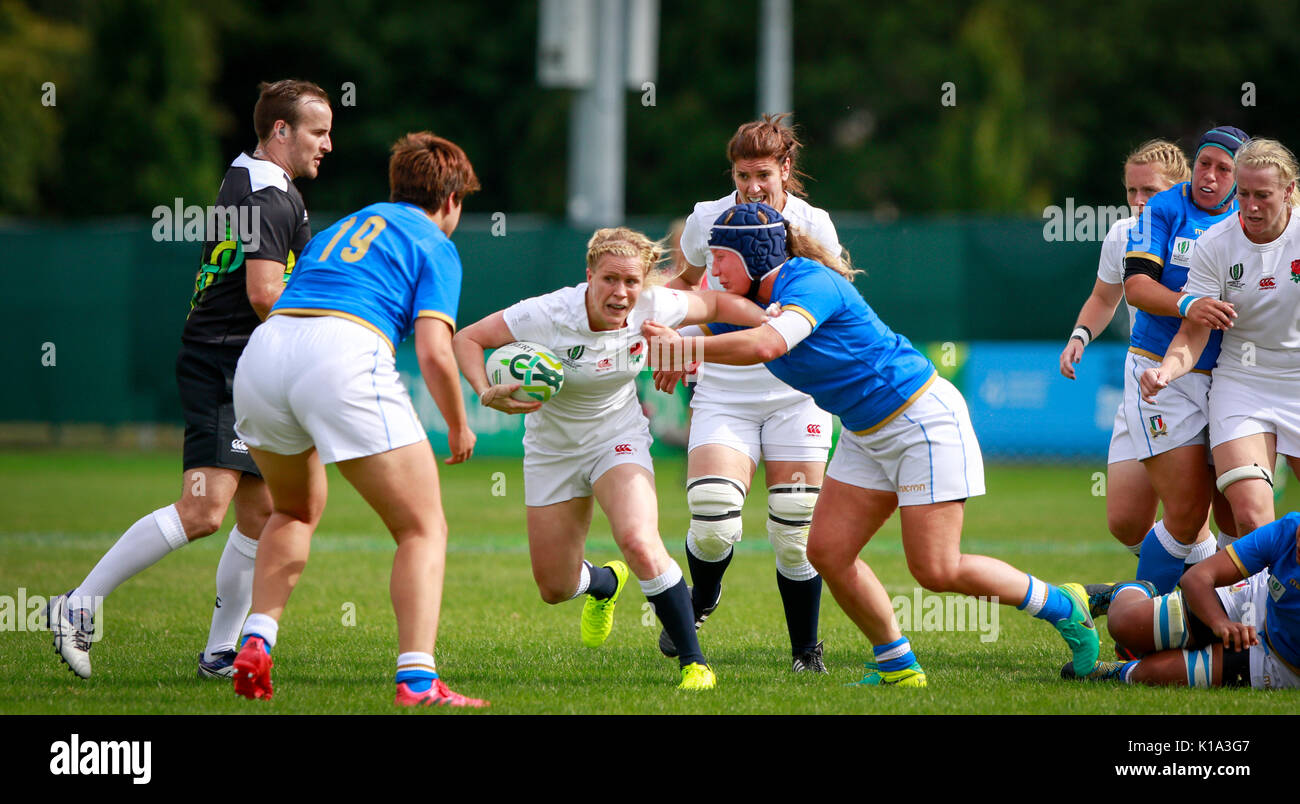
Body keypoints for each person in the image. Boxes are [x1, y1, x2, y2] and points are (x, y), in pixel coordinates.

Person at [642, 202, 1100, 686]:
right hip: (865, 433)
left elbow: (767, 346)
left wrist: (683, 346)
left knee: (937, 569)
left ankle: (1063, 606)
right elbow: (703, 311)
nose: (711, 268)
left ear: (755, 255)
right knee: (827, 552)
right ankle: (897, 665)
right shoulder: (748, 301)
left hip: (920, 420)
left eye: (720, 256)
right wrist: (645, 322)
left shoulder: (809, 281)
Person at [45, 80, 333, 680]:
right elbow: (264, 295)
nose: (329, 144)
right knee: (203, 511)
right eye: (318, 131)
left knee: (264, 512)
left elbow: (299, 281)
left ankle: (218, 654)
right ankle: (76, 606)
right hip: (226, 363)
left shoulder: (258, 180)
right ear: (280, 130)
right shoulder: (266, 198)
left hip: (246, 364)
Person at [229, 131, 485, 707]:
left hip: (266, 354)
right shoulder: (436, 243)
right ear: (450, 200)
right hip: (341, 353)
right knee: (422, 528)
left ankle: (257, 640)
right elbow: (434, 350)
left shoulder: (348, 223)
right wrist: (459, 422)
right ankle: (418, 680)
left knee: (292, 510)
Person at [452, 227, 770, 690]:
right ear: (589, 276)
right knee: (554, 587)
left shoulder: (656, 307)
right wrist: (485, 392)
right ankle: (603, 584)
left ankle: (694, 664)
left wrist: (775, 321)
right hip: (552, 451)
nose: (621, 292)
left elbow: (720, 305)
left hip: (616, 437)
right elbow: (466, 339)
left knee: (640, 541)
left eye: (631, 282)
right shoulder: (547, 312)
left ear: (643, 285)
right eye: (609, 280)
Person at [657, 115, 839, 672]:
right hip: (724, 390)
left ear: (786, 168)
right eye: (742, 175)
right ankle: (704, 594)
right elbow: (686, 286)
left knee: (796, 523)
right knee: (712, 515)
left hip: (797, 392)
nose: (752, 186)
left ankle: (806, 652)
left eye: (763, 174)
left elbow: (833, 299)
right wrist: (669, 335)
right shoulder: (708, 219)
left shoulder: (814, 224)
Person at [1139, 138, 1300, 542]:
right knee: (1248, 518)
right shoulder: (1216, 243)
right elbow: (1193, 332)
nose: (1251, 206)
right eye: (1243, 194)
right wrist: (1166, 371)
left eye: (1263, 195)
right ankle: (1254, 605)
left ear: (1289, 191)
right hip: (1243, 383)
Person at [1121, 126, 1249, 593]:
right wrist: (1185, 303)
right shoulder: (1163, 208)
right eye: (1203, 164)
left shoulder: (1250, 215)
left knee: (1237, 509)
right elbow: (1134, 286)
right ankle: (1138, 633)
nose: (1209, 177)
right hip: (1162, 371)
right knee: (1184, 513)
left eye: (1223, 169)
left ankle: (1225, 620)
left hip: (1231, 379)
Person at [1059, 140, 1200, 558]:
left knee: (1191, 513)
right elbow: (1104, 298)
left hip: (1201, 378)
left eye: (1150, 191)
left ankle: (1206, 599)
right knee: (1125, 522)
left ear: (1181, 188)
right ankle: (1188, 586)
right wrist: (1079, 336)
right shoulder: (1124, 234)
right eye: (1131, 191)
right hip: (1144, 381)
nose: (1139, 201)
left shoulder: (1211, 232)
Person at [1063, 512, 1299, 690]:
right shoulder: (1290, 529)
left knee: (1152, 673)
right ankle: (1125, 592)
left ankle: (1121, 671)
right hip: (1254, 604)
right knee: (1127, 624)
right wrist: (1218, 623)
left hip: (1284, 666)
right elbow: (1197, 578)